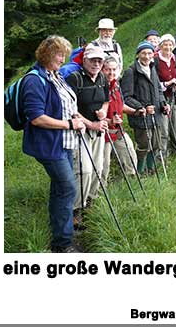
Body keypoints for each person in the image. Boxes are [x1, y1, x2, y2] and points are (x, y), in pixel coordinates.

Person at [21, 35, 86, 252]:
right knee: (68, 188)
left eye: (64, 54)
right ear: (47, 53)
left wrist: (77, 117)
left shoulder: (55, 75)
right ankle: (63, 244)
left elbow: (65, 103)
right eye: (59, 54)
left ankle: (58, 228)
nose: (63, 58)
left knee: (60, 188)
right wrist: (69, 124)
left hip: (64, 143)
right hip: (50, 144)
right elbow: (37, 117)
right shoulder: (34, 79)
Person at [65, 44, 109, 221]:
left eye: (99, 60)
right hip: (81, 131)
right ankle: (75, 208)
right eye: (93, 60)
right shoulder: (75, 79)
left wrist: (103, 112)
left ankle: (90, 201)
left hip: (98, 130)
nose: (96, 64)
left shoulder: (102, 79)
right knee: (84, 170)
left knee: (98, 168)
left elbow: (106, 101)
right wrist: (91, 124)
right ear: (84, 60)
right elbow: (71, 110)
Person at [121, 41, 170, 174]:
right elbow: (127, 97)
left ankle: (151, 169)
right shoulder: (131, 72)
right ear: (138, 55)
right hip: (141, 116)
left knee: (155, 144)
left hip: (157, 114)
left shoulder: (153, 69)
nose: (147, 56)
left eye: (149, 53)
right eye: (143, 53)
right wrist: (142, 107)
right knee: (143, 145)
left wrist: (164, 104)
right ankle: (140, 171)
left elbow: (159, 91)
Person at [101, 57, 138, 187]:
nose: (111, 73)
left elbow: (121, 106)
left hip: (118, 130)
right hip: (103, 133)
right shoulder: (98, 87)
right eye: (108, 70)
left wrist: (136, 111)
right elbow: (92, 116)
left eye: (114, 69)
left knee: (130, 154)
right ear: (102, 70)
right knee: (103, 165)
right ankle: (99, 192)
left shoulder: (116, 85)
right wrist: (110, 120)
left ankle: (131, 182)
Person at [154, 34, 176, 157]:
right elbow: (154, 81)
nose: (168, 47)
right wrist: (166, 84)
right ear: (160, 46)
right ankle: (162, 153)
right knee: (163, 125)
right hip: (161, 97)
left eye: (170, 44)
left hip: (175, 95)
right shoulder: (155, 60)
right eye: (165, 44)